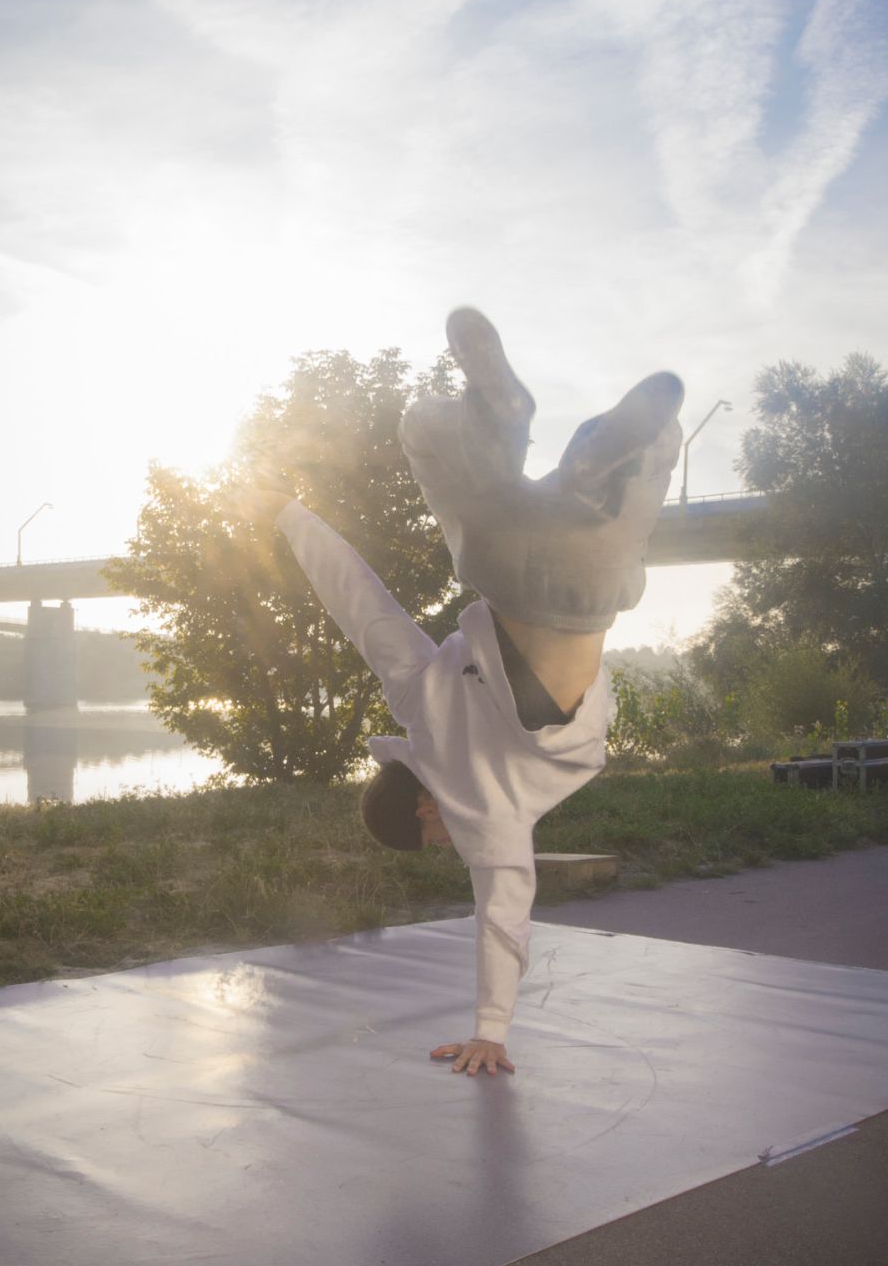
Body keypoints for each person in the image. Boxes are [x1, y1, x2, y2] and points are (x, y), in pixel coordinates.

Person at [235, 309, 683, 1078]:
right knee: (429, 445)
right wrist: (287, 513)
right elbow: (360, 602)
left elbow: (503, 920)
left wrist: (492, 1030)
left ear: (422, 808)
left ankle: (595, 462)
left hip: (583, 608)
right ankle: (502, 424)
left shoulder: (483, 816)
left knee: (641, 483)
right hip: (503, 566)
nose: (448, 845)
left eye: (431, 838)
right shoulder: (414, 699)